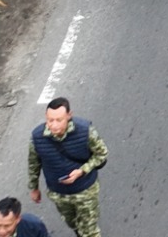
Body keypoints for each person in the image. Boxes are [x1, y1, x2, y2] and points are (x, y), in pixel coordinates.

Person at [24, 99, 106, 237]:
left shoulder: (85, 131)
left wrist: (82, 170)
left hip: (85, 190)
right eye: (50, 120)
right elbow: (34, 163)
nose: (54, 125)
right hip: (59, 193)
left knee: (89, 231)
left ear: (69, 116)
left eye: (59, 120)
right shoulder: (37, 137)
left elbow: (102, 154)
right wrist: (34, 187)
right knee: (72, 223)